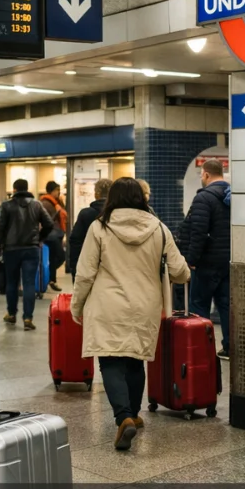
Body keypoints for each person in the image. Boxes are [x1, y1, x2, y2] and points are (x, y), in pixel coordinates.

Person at [71, 178, 190, 451]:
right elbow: (180, 271)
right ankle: (134, 414)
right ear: (142, 198)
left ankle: (123, 417)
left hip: (107, 304)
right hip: (144, 306)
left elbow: (85, 272)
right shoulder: (159, 228)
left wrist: (76, 306)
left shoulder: (99, 227)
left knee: (111, 360)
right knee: (136, 360)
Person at [179, 159, 232, 359]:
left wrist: (191, 259)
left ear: (206, 174)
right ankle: (228, 347)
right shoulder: (232, 196)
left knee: (199, 304)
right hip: (226, 262)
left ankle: (200, 347)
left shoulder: (204, 198)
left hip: (206, 263)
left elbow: (198, 233)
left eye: (202, 174)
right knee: (225, 305)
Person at [0, 179, 54, 330]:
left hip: (11, 249)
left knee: (12, 283)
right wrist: (39, 239)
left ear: (14, 190)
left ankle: (12, 314)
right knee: (29, 283)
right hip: (31, 249)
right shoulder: (36, 204)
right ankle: (28, 318)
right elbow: (49, 224)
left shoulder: (7, 205)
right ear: (27, 189)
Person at [67, 178, 111, 279]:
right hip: (111, 267)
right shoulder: (116, 214)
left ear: (96, 194)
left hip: (88, 264)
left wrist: (74, 268)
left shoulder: (85, 214)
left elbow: (75, 241)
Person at [39, 181, 68, 291]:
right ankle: (47, 276)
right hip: (51, 235)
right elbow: (47, 220)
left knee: (53, 257)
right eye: (57, 190)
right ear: (51, 190)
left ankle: (51, 279)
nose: (58, 192)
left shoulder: (56, 202)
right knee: (60, 256)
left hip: (56, 233)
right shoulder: (46, 203)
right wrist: (57, 212)